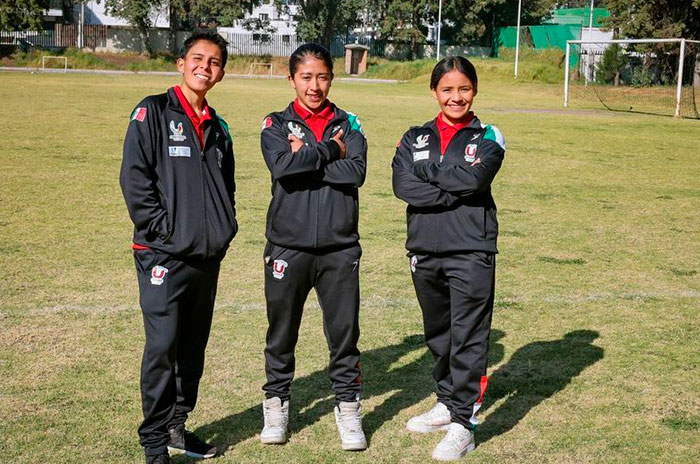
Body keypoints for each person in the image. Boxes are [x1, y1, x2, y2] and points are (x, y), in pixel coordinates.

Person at [119, 31, 237, 464]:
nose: (205, 66)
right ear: (180, 63)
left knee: (192, 348)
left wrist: (224, 230)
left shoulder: (219, 126)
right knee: (162, 346)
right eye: (197, 58)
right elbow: (135, 178)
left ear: (222, 72)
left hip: (207, 257)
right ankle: (153, 443)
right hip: (163, 256)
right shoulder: (152, 111)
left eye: (214, 62)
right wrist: (161, 232)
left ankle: (176, 426)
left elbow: (227, 188)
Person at [391, 56, 506, 461]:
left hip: (472, 249)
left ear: (474, 91)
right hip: (424, 250)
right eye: (447, 89)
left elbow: (476, 180)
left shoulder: (489, 134)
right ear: (434, 92)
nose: (455, 97)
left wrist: (431, 175)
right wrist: (450, 181)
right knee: (439, 335)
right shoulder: (414, 137)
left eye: (464, 89)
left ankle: (463, 424)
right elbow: (402, 185)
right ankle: (446, 402)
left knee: (469, 336)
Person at [258, 43, 368, 451]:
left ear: (331, 79)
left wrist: (307, 159)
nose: (314, 85)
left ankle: (347, 407)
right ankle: (276, 401)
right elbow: (282, 169)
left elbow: (355, 172)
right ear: (291, 80)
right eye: (306, 77)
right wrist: (327, 152)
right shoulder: (275, 123)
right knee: (281, 332)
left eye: (322, 76)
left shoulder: (350, 123)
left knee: (344, 334)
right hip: (288, 247)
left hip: (340, 248)